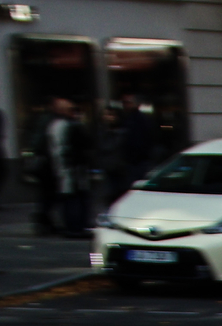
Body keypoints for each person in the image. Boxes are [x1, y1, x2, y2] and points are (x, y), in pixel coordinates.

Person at [37, 96, 95, 237]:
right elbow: (64, 150)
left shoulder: (55, 124)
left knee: (70, 198)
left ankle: (73, 226)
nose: (73, 112)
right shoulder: (64, 125)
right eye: (70, 109)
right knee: (72, 198)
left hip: (65, 169)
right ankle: (74, 226)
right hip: (69, 170)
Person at [105, 92, 159, 200]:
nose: (126, 105)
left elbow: (145, 140)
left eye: (128, 102)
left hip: (137, 162)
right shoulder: (127, 119)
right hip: (131, 162)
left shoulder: (139, 120)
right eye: (124, 103)